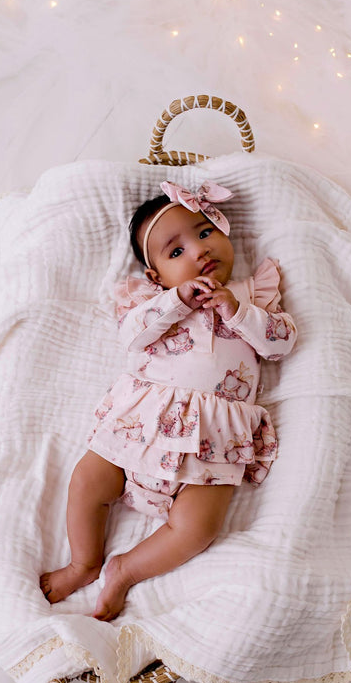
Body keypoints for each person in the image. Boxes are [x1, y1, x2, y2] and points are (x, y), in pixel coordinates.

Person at [40, 180, 297, 620]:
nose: (199, 251)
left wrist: (237, 311)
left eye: (204, 233)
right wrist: (176, 301)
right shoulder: (153, 303)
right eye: (176, 252)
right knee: (86, 480)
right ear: (156, 277)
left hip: (213, 438)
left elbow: (281, 344)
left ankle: (125, 570)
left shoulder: (252, 294)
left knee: (199, 527)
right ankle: (83, 563)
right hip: (144, 422)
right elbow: (131, 337)